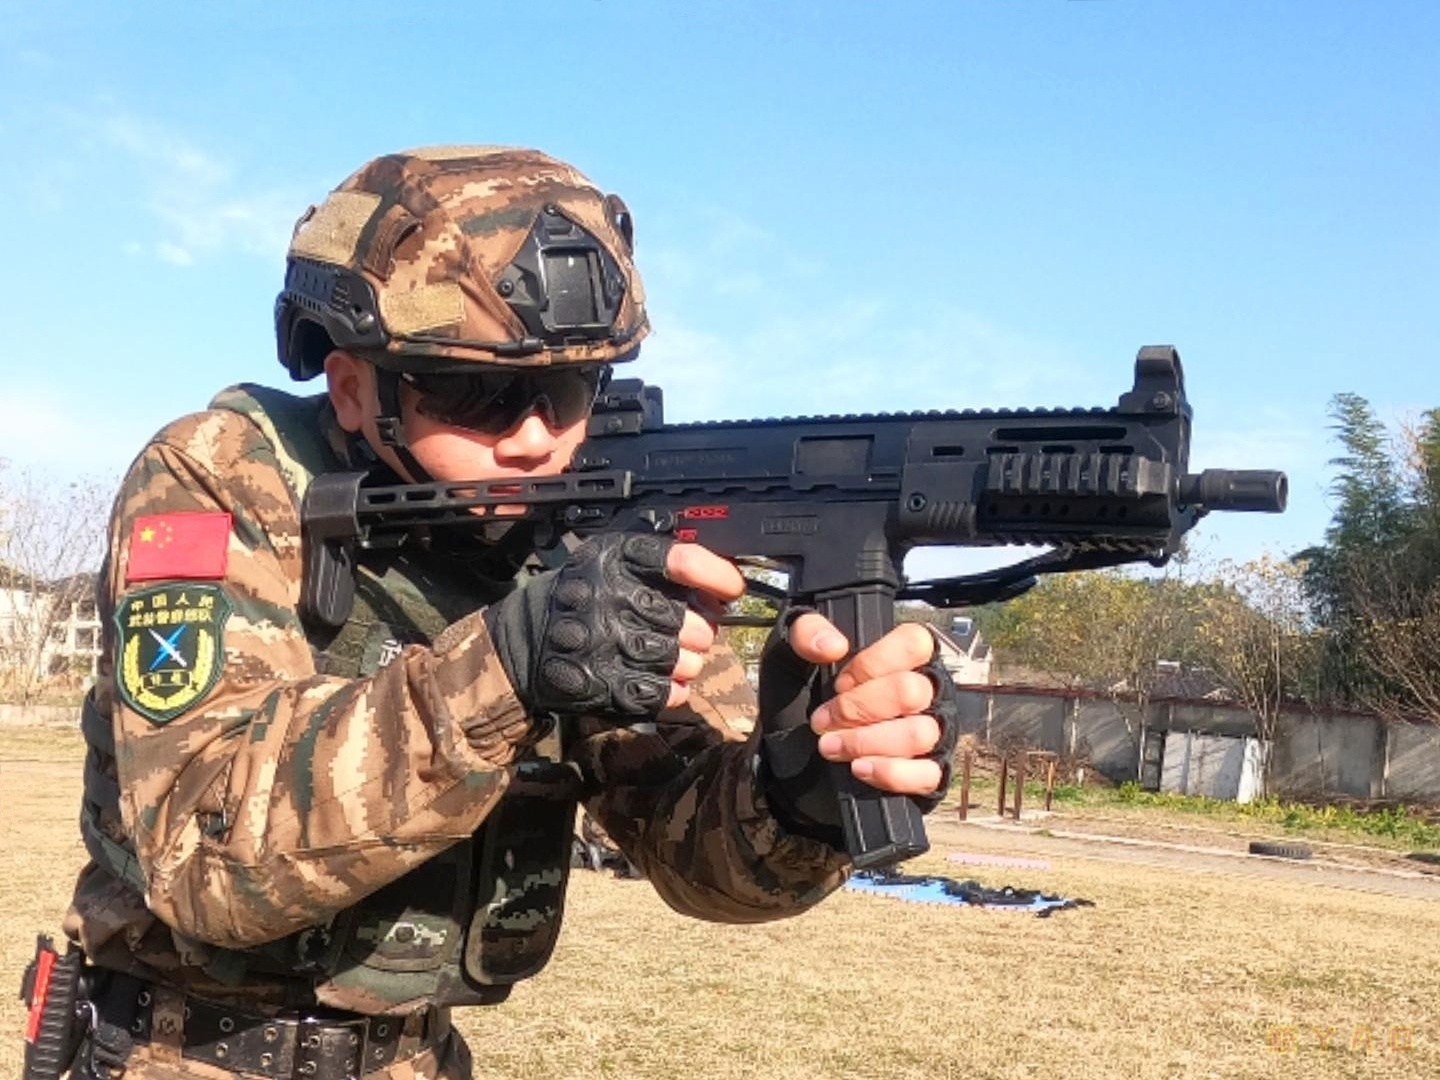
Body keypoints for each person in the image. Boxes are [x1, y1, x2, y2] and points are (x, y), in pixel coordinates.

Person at [54, 146, 958, 1080]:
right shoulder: (222, 477)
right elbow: (201, 859)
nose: (534, 439)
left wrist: (797, 789)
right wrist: (511, 666)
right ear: (354, 387)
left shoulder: (590, 529)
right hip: (173, 1051)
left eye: (567, 391)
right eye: (475, 394)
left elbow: (693, 850)